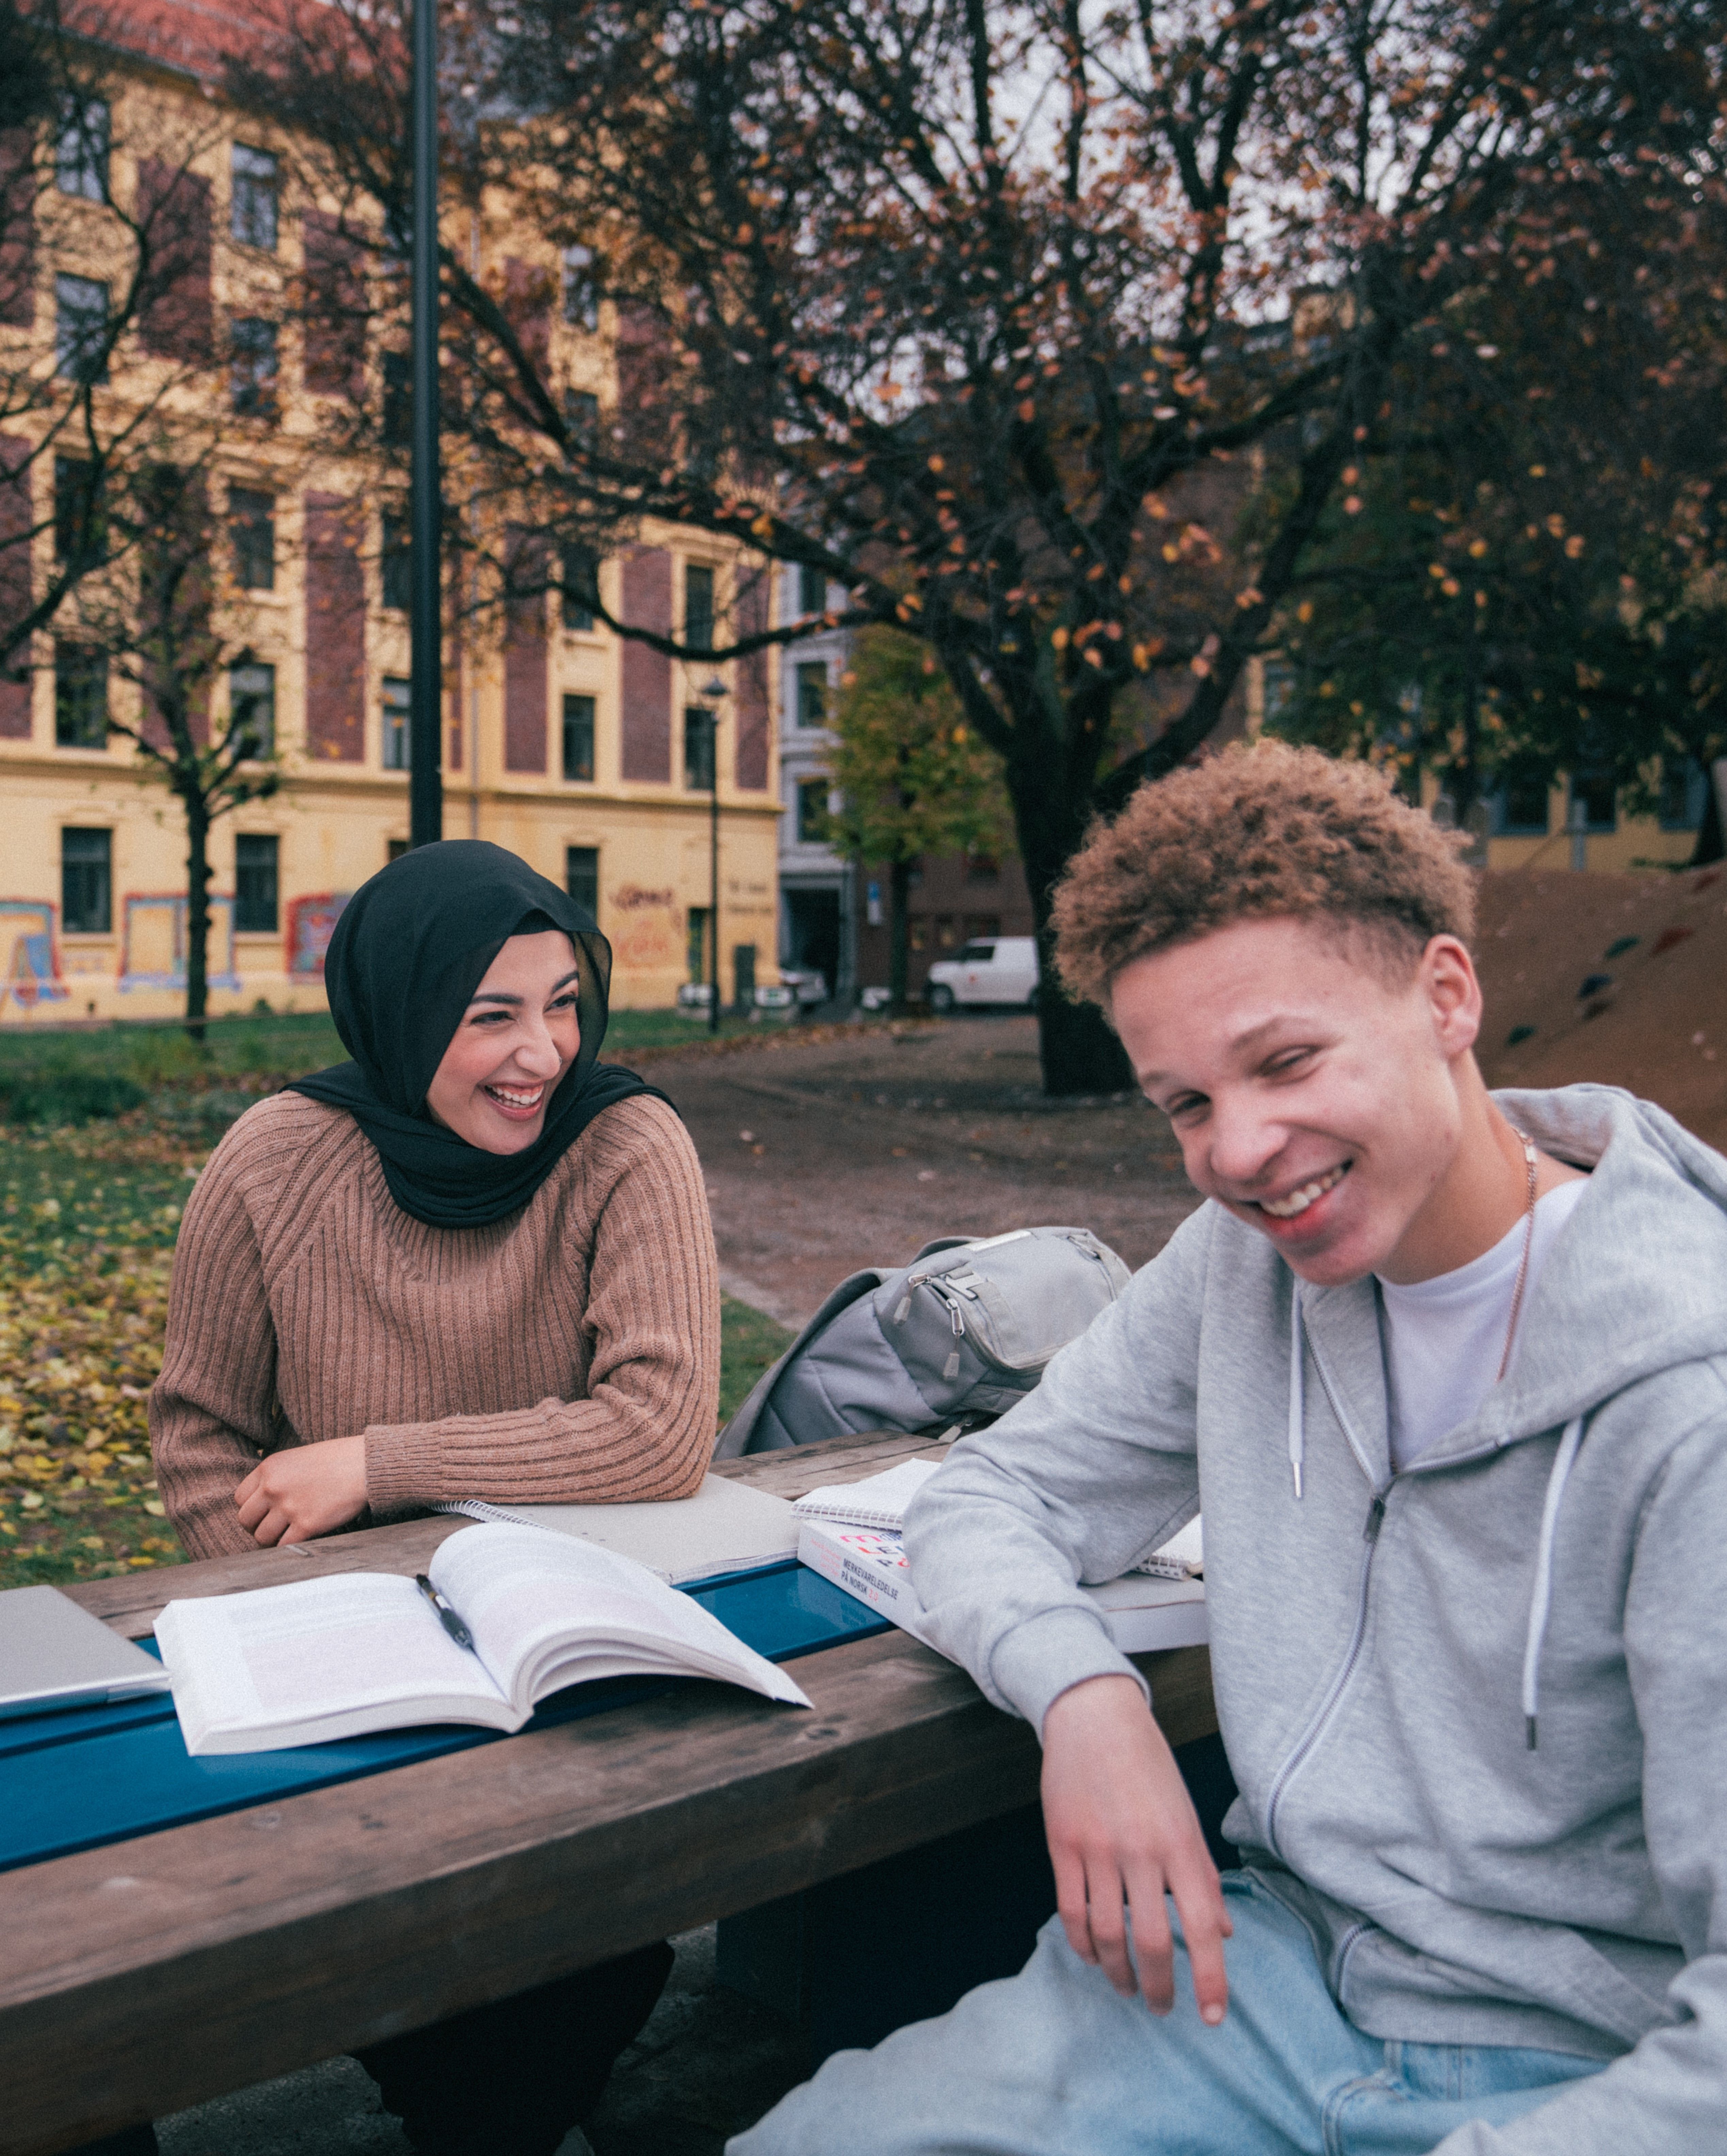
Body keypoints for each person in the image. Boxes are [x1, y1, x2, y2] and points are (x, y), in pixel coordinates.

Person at [731, 742, 1727, 2155]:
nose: (1241, 1152)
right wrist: (1087, 1701)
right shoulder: (1240, 1266)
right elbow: (994, 1493)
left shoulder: (1691, 1392)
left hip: (1584, 2065)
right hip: (1254, 1971)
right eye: (1187, 1104)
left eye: (1286, 1062)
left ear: (1447, 995)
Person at [142, 839, 720, 2156]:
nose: (543, 1053)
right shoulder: (275, 1159)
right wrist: (294, 1618)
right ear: (401, 1014)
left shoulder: (626, 1143)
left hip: (567, 1657)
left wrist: (376, 1464)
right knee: (381, 1947)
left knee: (580, 1963)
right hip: (339, 1660)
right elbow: (201, 1438)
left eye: (563, 1003)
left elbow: (657, 1430)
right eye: (490, 1015)